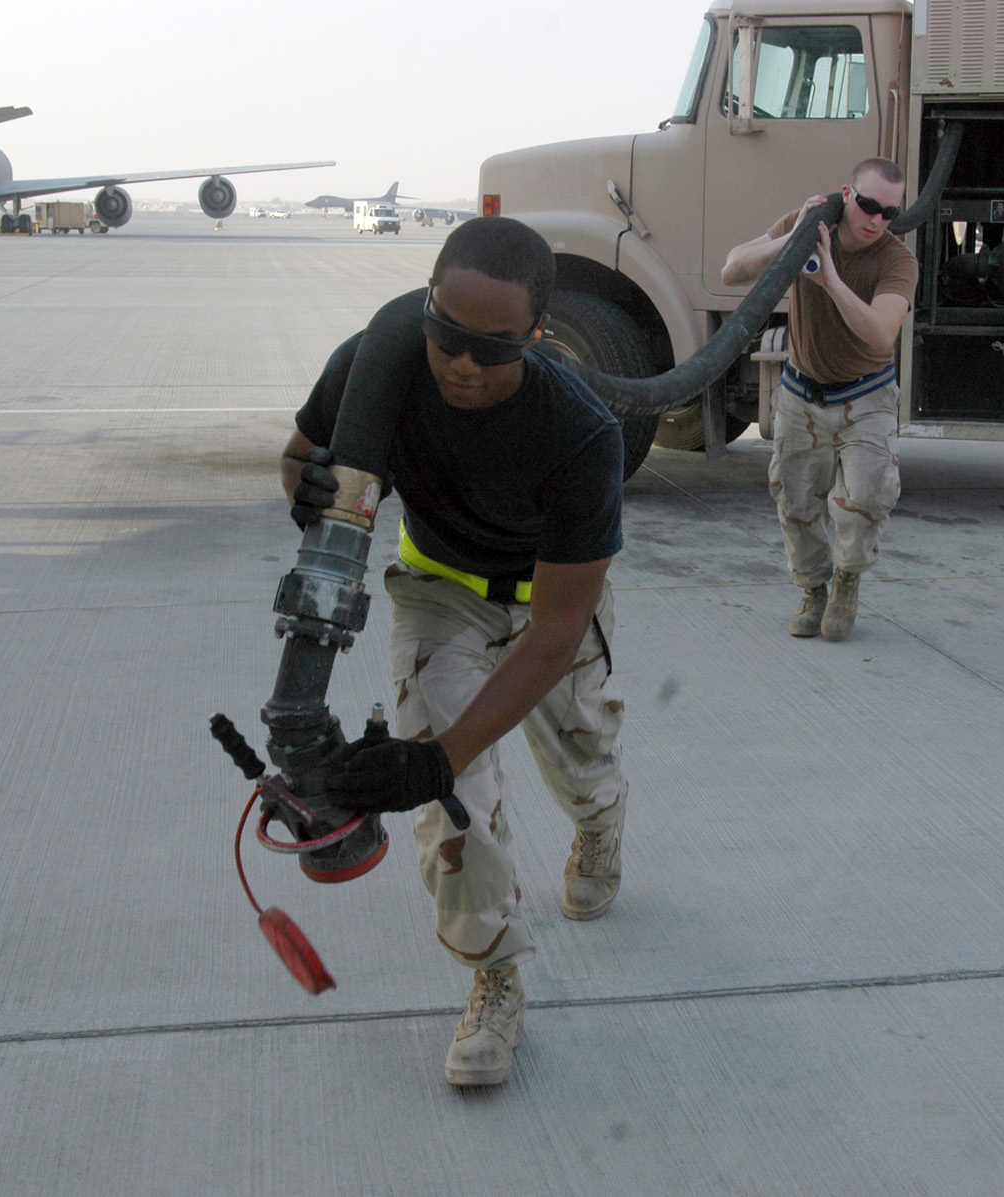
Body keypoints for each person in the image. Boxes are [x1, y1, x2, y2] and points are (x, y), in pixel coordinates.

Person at [279, 217, 628, 1088]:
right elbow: (298, 459)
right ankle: (493, 974)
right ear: (427, 304)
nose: (462, 364)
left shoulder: (580, 431)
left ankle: (598, 824)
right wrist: (305, 484)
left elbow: (556, 632)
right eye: (446, 333)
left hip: (546, 602)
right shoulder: (375, 363)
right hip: (439, 590)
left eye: (492, 347)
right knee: (452, 805)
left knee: (581, 760)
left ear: (536, 335)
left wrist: (437, 756)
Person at [720, 159, 918, 641]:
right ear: (847, 194)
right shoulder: (808, 224)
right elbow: (731, 270)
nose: (876, 220)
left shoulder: (896, 260)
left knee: (864, 501)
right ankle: (813, 589)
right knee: (796, 500)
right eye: (867, 205)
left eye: (889, 213)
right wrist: (792, 239)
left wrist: (830, 278)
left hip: (866, 396)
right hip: (802, 392)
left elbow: (881, 333)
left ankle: (847, 578)